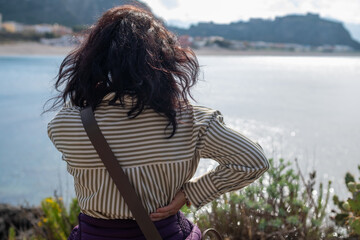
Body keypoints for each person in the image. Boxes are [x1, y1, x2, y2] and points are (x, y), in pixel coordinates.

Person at [46, 5, 270, 240]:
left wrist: (91, 87)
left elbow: (78, 110)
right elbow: (253, 161)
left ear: (91, 59)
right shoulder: (192, 120)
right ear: (164, 60)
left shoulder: (66, 124)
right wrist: (188, 193)